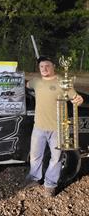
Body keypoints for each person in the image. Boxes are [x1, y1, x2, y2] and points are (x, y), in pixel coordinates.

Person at [25, 56, 83, 197]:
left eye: (47, 66)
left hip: (58, 129)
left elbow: (76, 99)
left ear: (53, 66)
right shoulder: (36, 82)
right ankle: (34, 178)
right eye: (41, 67)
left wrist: (79, 100)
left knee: (56, 158)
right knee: (35, 156)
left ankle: (50, 184)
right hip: (38, 127)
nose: (44, 69)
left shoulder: (63, 82)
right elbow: (26, 85)